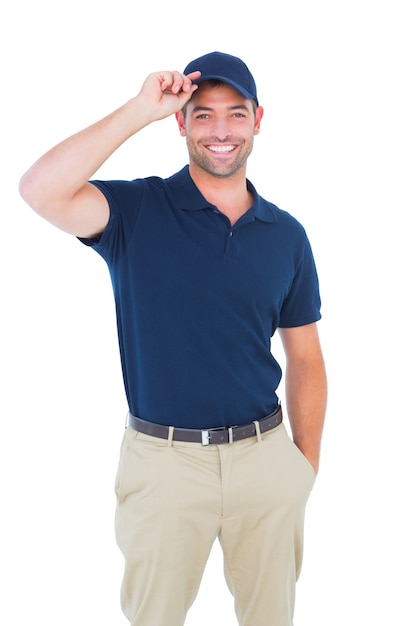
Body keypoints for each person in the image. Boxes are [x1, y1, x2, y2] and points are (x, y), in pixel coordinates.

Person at [19, 51, 327, 626]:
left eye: (235, 115)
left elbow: (305, 356)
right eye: (202, 114)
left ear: (258, 121)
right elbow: (40, 189)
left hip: (265, 461)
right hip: (163, 465)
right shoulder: (137, 211)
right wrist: (140, 109)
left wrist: (302, 469)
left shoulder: (286, 235)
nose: (221, 132)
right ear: (181, 122)